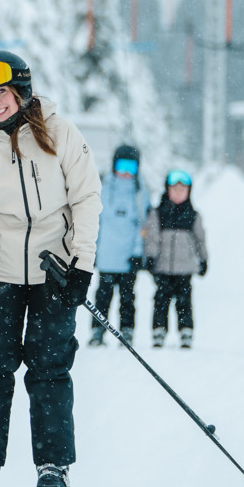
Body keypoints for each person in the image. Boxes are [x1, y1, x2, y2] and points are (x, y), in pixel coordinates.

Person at [0, 51, 102, 487]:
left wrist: (82, 266)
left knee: (49, 369)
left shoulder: (60, 134)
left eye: (1, 92)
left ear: (21, 90)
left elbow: (87, 198)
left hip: (54, 272)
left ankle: (52, 469)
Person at [89, 144, 148, 347]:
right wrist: (92, 249)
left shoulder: (140, 193)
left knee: (127, 297)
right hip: (107, 254)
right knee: (103, 296)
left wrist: (138, 253)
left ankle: (127, 331)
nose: (125, 172)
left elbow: (143, 226)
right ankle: (98, 331)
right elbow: (95, 220)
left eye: (130, 168)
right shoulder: (103, 187)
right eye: (121, 166)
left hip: (127, 256)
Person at [143, 169, 208, 349]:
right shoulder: (159, 213)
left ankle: (186, 331)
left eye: (183, 190)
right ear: (167, 190)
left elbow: (200, 240)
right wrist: (150, 257)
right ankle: (159, 330)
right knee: (160, 300)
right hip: (163, 267)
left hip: (185, 268)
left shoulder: (192, 215)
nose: (178, 194)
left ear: (189, 192)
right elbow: (152, 237)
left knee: (184, 301)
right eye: (174, 189)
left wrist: (203, 259)